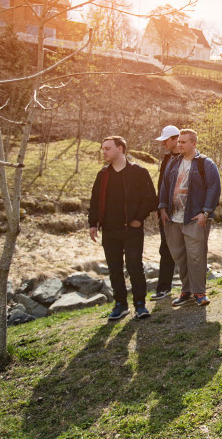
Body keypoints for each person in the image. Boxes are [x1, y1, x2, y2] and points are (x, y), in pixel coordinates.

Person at [89, 136, 157, 321]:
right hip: (109, 230)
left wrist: (137, 219)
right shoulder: (103, 175)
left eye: (107, 148)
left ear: (120, 149)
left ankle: (140, 305)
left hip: (132, 229)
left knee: (135, 267)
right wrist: (92, 223)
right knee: (114, 269)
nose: (104, 151)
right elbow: (94, 200)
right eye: (103, 148)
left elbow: (150, 198)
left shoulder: (138, 172)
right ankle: (120, 305)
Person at [159, 129, 221, 307]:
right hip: (173, 218)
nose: (179, 144)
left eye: (183, 142)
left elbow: (214, 188)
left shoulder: (206, 164)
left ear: (193, 143)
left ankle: (199, 292)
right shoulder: (172, 163)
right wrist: (162, 208)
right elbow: (164, 185)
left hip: (194, 218)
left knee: (196, 256)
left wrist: (206, 212)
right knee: (180, 256)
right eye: (178, 141)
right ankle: (186, 291)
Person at [151, 125, 181, 301]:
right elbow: (161, 184)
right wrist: (159, 207)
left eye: (165, 140)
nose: (163, 144)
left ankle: (192, 289)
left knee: (187, 249)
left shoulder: (192, 158)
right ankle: (164, 288)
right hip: (166, 212)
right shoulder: (166, 159)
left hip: (185, 212)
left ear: (175, 139)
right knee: (166, 248)